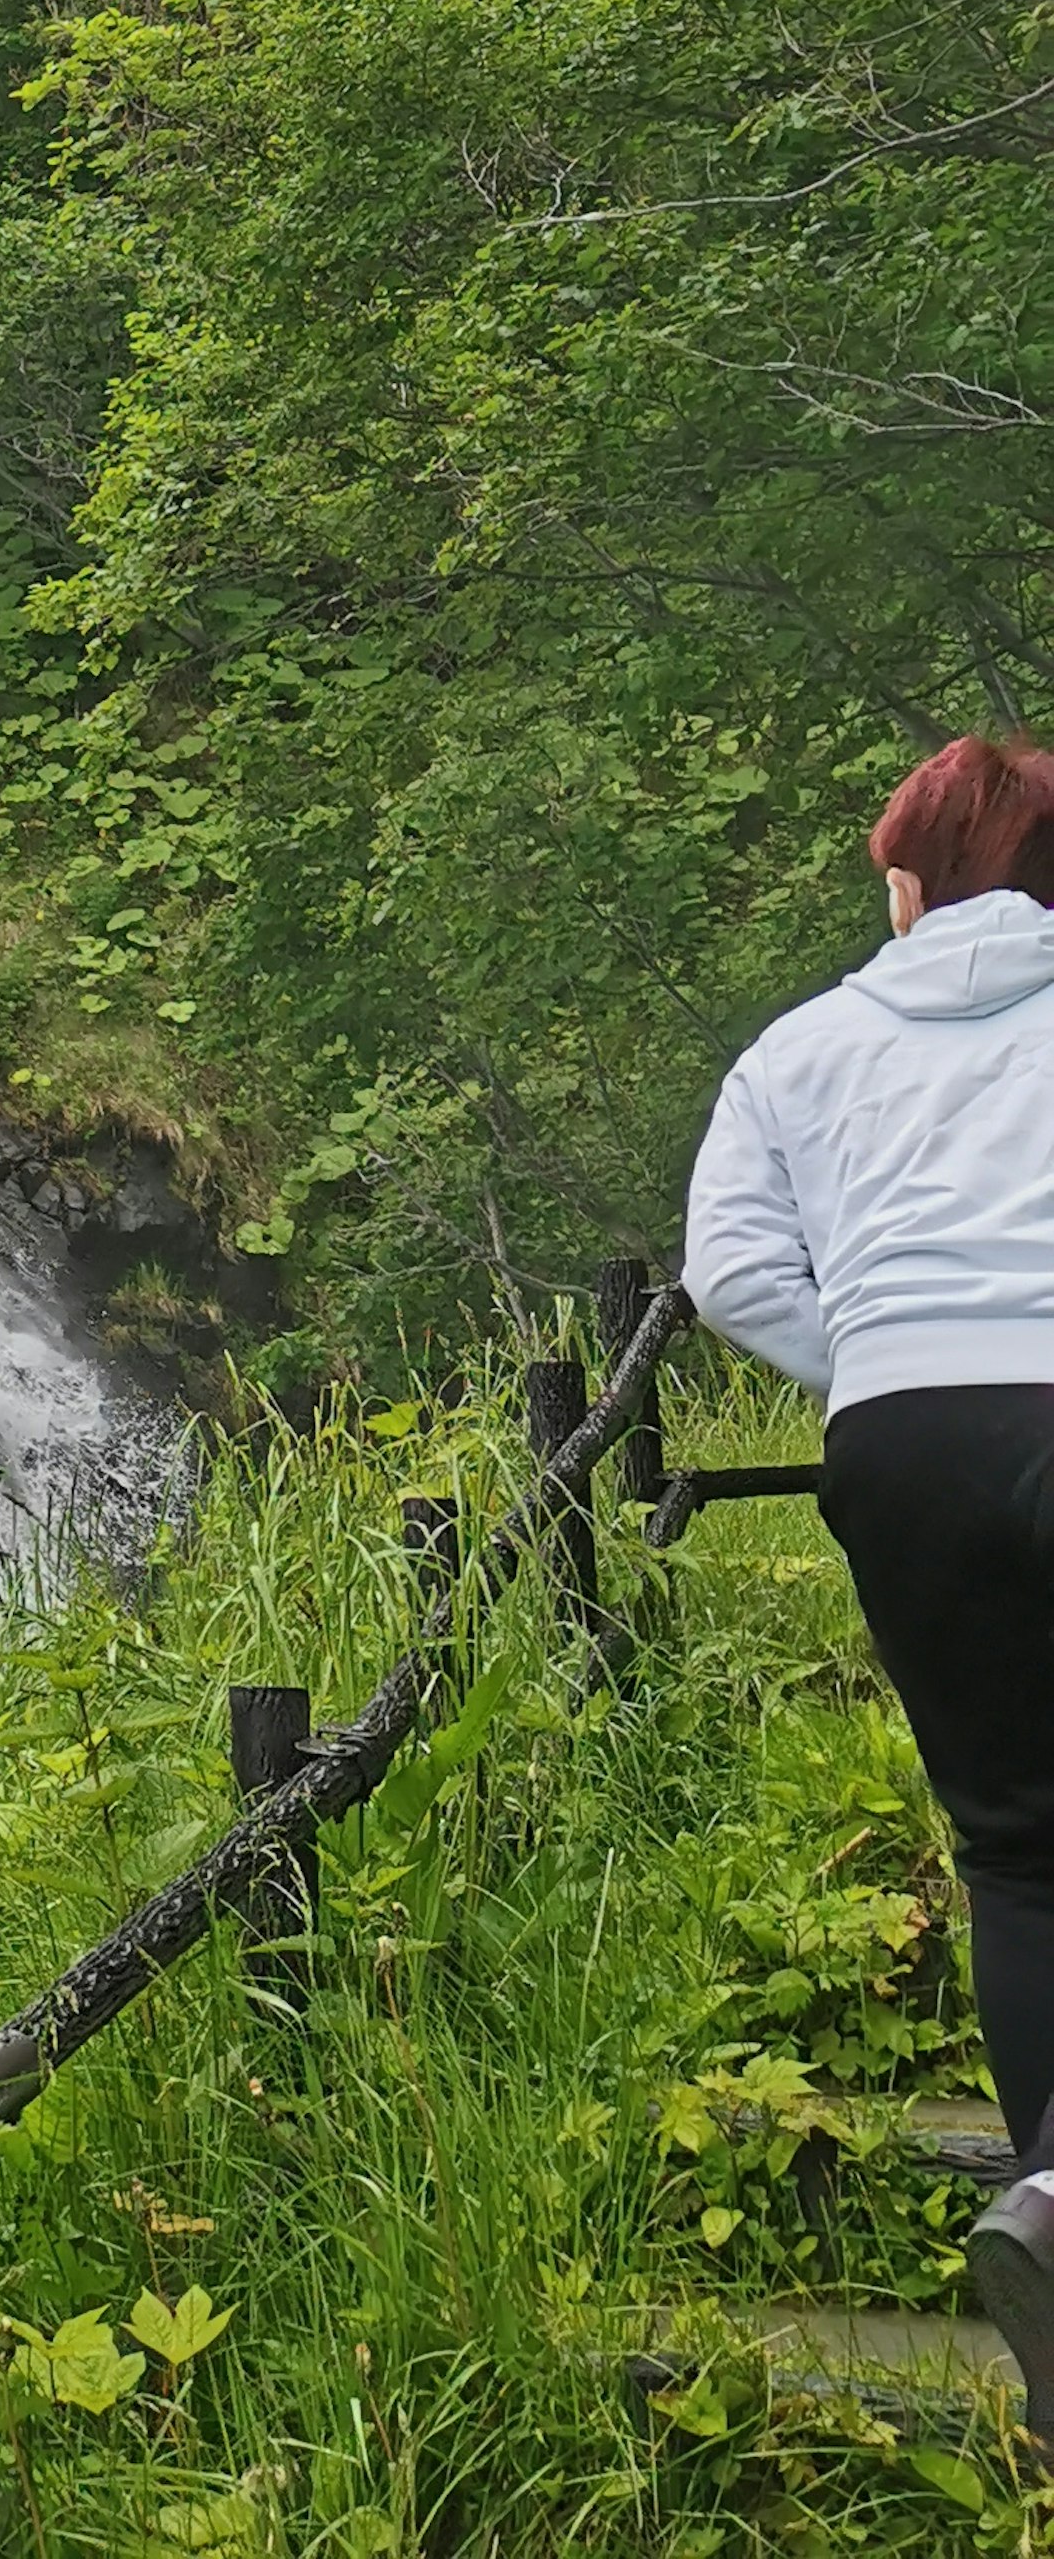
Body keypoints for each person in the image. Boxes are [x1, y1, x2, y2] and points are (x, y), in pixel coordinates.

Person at [684, 732, 1054, 2404]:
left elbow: (728, 1270)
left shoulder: (800, 1049)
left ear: (906, 884)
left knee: (1020, 1854)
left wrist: (887, 1351)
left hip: (902, 1443)